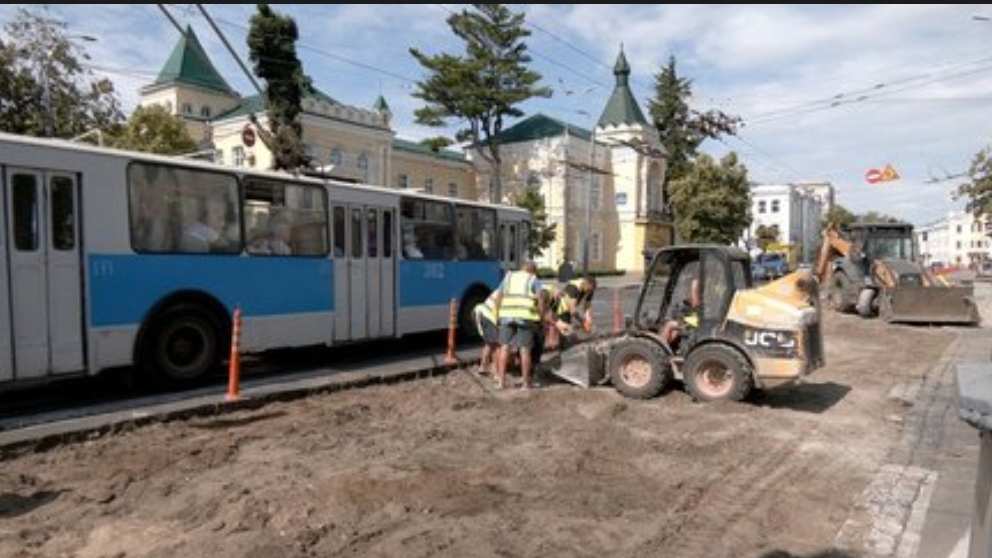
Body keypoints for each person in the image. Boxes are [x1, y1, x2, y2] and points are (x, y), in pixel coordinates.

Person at [492, 261, 547, 390]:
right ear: (533, 271)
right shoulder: (534, 279)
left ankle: (501, 382)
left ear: (522, 268)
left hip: (506, 315)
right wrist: (541, 317)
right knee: (524, 349)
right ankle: (525, 384)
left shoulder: (509, 276)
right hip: (525, 317)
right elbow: (541, 299)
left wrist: (497, 315)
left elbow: (499, 296)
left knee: (504, 347)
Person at [661, 265, 701, 349]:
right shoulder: (699, 283)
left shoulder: (696, 283)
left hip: (696, 321)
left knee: (669, 324)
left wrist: (693, 288)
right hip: (694, 319)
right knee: (675, 331)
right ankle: (668, 349)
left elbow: (695, 304)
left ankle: (660, 348)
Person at [471, 289, 501, 375]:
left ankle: (483, 367)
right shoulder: (506, 290)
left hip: (481, 312)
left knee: (490, 343)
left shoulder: (504, 287)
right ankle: (496, 371)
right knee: (496, 344)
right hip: (487, 315)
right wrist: (498, 320)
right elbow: (498, 304)